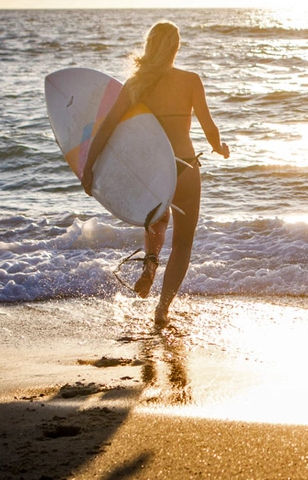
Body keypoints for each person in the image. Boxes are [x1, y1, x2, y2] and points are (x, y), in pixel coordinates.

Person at [81, 21, 229, 326]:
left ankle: (150, 264)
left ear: (150, 47)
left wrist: (89, 168)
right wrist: (220, 147)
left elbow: (107, 128)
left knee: (157, 221)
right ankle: (162, 308)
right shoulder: (191, 81)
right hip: (185, 167)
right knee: (183, 243)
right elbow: (209, 127)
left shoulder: (136, 84)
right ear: (176, 48)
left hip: (154, 172)